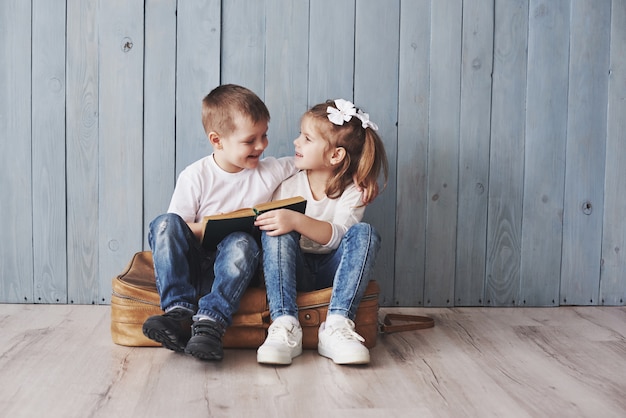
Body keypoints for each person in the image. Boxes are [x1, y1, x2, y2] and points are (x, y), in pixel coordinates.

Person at [142, 84, 298, 361]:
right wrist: (213, 224)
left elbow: (310, 161)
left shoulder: (270, 169)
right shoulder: (196, 176)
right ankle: (178, 312)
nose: (261, 146)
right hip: (193, 266)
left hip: (234, 269)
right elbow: (177, 230)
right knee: (164, 222)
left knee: (240, 241)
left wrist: (356, 173)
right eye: (250, 141)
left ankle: (210, 322)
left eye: (264, 136)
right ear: (217, 140)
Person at [254, 99, 388, 365]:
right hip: (293, 271)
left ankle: (337, 325)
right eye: (300, 135)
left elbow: (340, 235)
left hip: (335, 274)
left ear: (335, 155)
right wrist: (286, 222)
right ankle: (284, 324)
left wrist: (296, 219)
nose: (296, 142)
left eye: (306, 138)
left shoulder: (353, 191)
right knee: (276, 227)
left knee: (365, 233)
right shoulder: (286, 182)